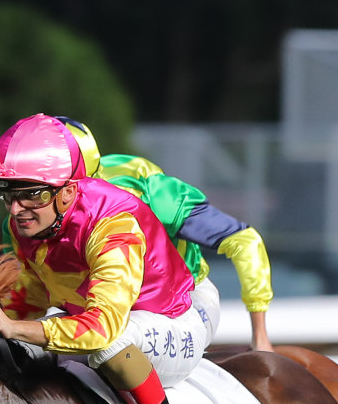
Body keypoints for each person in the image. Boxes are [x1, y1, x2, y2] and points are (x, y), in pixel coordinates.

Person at [0, 114, 207, 404]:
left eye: (32, 193)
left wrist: (15, 328)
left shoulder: (112, 225)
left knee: (104, 345)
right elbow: (34, 290)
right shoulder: (29, 223)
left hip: (174, 318)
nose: (17, 210)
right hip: (111, 315)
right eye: (9, 194)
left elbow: (100, 328)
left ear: (68, 190)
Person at [55, 119, 275, 352]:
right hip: (110, 303)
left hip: (184, 301)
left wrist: (259, 335)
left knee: (114, 344)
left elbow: (245, 240)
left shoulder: (153, 194)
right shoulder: (30, 212)